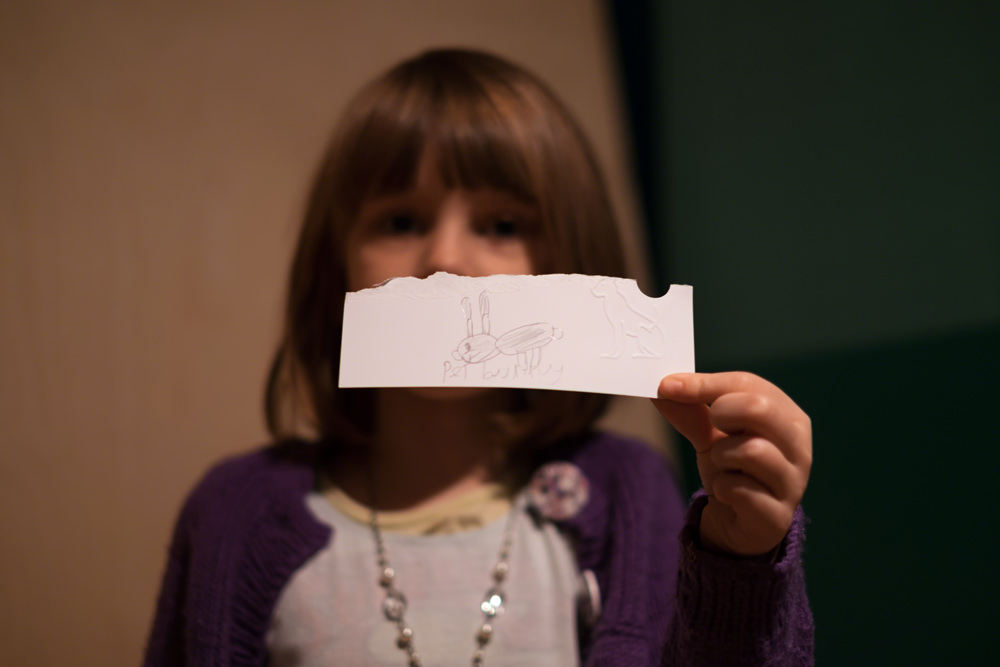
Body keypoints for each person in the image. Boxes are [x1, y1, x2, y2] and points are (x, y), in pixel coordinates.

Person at [144, 48, 813, 667]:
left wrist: (740, 563)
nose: (446, 261)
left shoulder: (626, 493)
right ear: (335, 268)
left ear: (567, 262)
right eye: (401, 221)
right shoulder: (234, 513)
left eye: (501, 226)